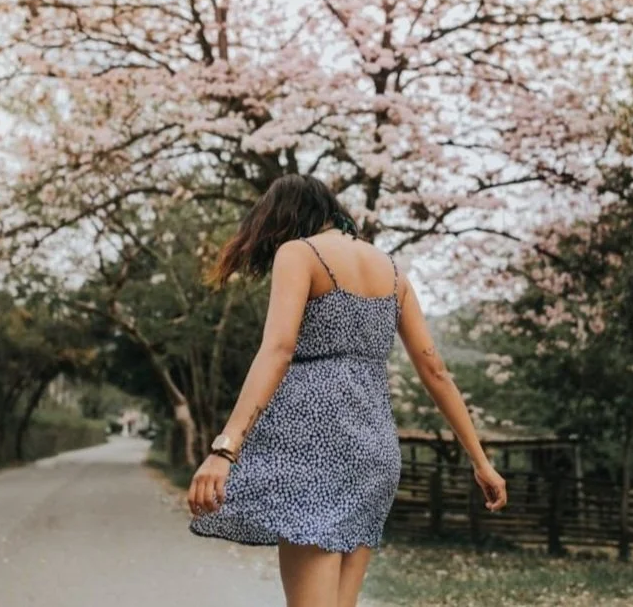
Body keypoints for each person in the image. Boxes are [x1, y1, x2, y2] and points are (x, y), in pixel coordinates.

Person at [187, 174, 508, 607]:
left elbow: (278, 350)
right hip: (373, 450)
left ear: (285, 218)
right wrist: (481, 462)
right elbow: (435, 370)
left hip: (313, 444)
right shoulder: (393, 271)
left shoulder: (298, 253)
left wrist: (225, 449)